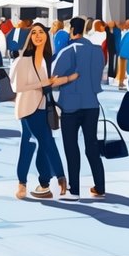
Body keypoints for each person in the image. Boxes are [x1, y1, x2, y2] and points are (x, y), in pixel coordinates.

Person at [12, 22, 70, 200]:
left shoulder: (48, 60)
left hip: (45, 107)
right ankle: (58, 178)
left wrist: (66, 79)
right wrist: (43, 83)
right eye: (34, 33)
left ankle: (41, 184)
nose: (38, 35)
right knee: (44, 142)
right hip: (28, 108)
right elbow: (17, 87)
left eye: (41, 32)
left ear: (47, 36)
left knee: (31, 144)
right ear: (30, 37)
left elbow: (51, 83)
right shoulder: (22, 60)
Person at [53, 17, 106, 200]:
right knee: (92, 145)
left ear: (71, 30)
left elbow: (54, 75)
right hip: (91, 103)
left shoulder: (68, 51)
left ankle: (74, 189)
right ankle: (100, 185)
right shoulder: (97, 51)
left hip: (70, 105)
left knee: (71, 146)